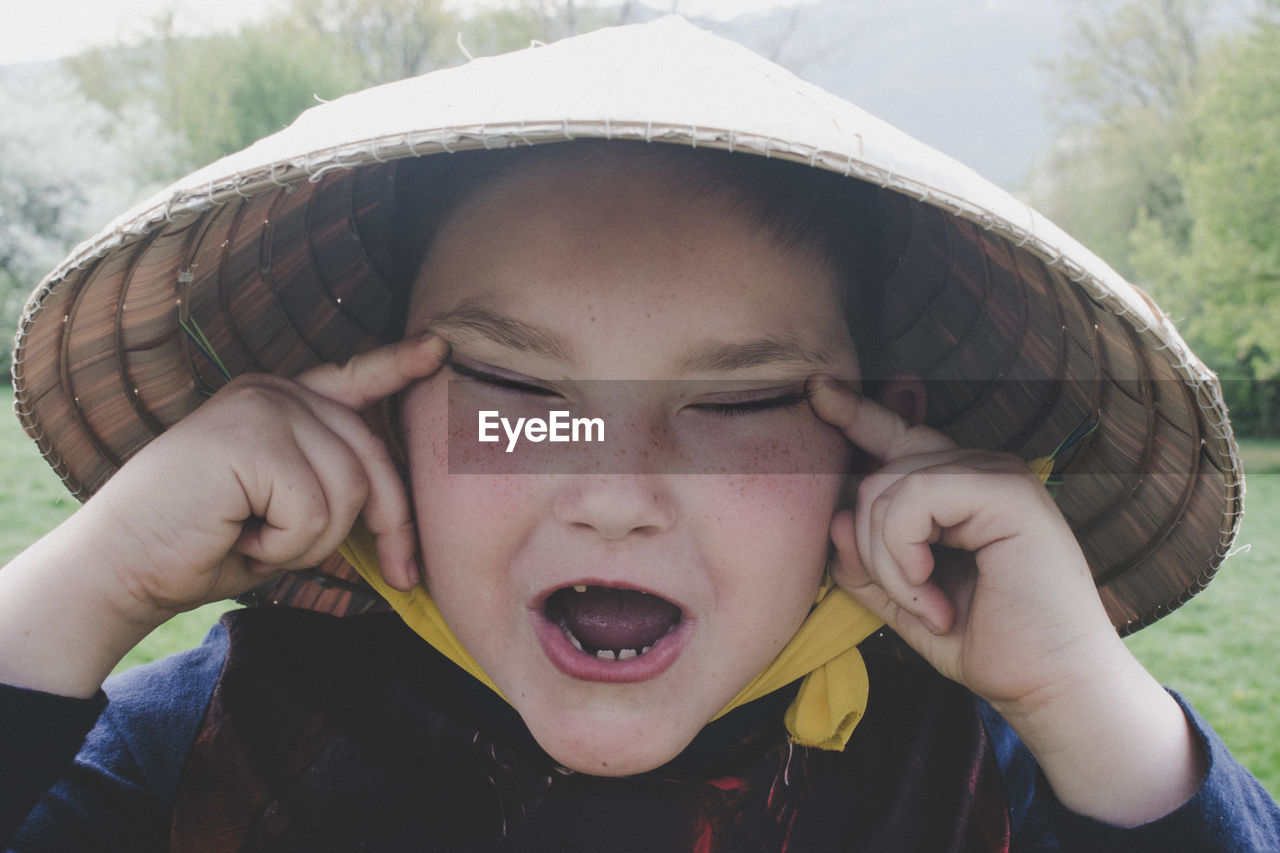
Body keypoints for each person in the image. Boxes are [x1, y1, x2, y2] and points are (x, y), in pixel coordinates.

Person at [1, 16, 1277, 851]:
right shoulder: (220, 739)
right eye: (510, 388)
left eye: (739, 404)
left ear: (882, 450)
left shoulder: (975, 779)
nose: (614, 493)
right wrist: (89, 582)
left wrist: (1082, 702)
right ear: (383, 422)